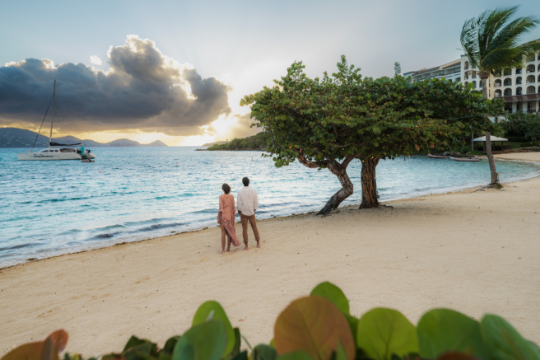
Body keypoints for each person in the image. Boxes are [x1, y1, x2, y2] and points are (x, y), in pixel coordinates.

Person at [237, 177, 261, 250]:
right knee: (254, 227)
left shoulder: (240, 191)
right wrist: (254, 209)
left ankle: (246, 246)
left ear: (242, 182)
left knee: (244, 229)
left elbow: (238, 203)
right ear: (249, 182)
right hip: (251, 212)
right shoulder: (254, 190)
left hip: (244, 212)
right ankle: (258, 243)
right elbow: (256, 202)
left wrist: (239, 211)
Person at [217, 183, 241, 254]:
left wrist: (218, 217)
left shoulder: (221, 197)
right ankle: (228, 249)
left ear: (222, 189)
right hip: (230, 217)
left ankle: (223, 250)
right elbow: (233, 207)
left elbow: (221, 209)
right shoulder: (231, 196)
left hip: (223, 217)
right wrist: (233, 217)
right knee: (229, 233)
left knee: (223, 233)